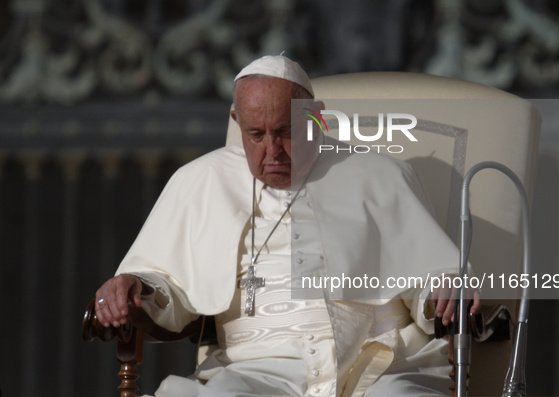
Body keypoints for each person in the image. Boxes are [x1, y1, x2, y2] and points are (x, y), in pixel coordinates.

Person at [95, 55, 480, 396]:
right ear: (236, 121)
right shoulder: (197, 181)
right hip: (254, 371)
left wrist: (444, 284)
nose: (273, 151)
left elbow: (430, 275)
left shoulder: (382, 175)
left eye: (286, 131)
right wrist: (136, 286)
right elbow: (169, 287)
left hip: (379, 361)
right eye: (256, 135)